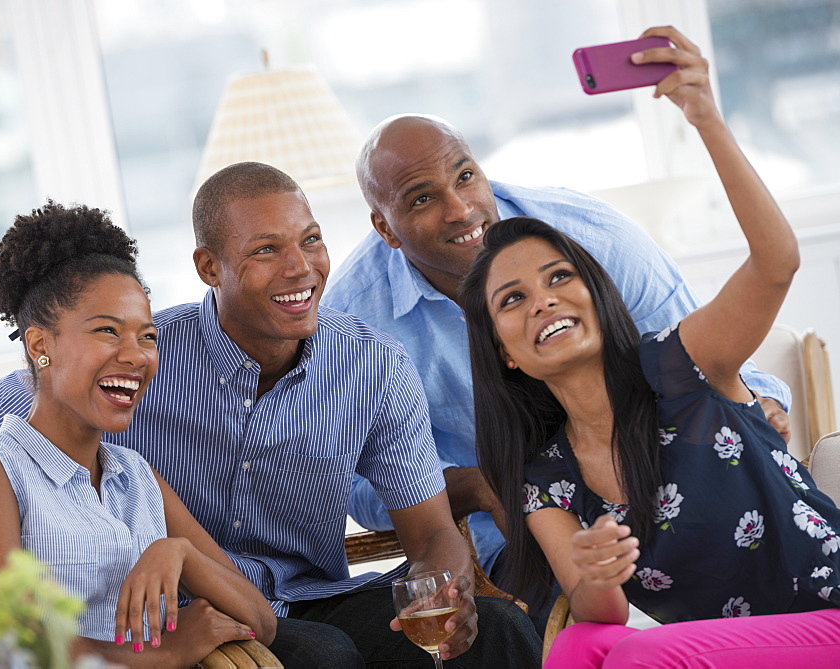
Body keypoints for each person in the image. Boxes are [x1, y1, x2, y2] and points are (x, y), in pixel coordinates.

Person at [0, 165, 541, 667]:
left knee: (500, 632)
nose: (300, 267)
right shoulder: (135, 357)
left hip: (312, 596)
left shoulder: (372, 363)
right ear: (209, 267)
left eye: (310, 239)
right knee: (322, 657)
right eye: (266, 250)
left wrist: (444, 596)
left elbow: (430, 533)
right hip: (195, 617)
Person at [323, 67, 791, 630]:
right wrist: (482, 485)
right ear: (504, 353)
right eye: (423, 198)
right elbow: (355, 485)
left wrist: (754, 409)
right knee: (562, 632)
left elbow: (728, 337)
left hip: (672, 477)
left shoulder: (592, 236)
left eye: (466, 176)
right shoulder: (351, 326)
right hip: (521, 528)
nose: (461, 208)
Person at [460, 26, 840, 667]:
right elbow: (596, 612)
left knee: (643, 658)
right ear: (506, 354)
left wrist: (705, 118)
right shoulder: (544, 477)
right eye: (513, 299)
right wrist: (597, 573)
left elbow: (776, 263)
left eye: (559, 278)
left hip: (825, 617)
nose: (545, 300)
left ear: (597, 297)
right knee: (581, 642)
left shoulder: (682, 365)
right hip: (722, 650)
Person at [0, 201, 276, 667]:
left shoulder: (134, 476)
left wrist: (181, 554)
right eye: (108, 331)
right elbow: (14, 648)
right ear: (40, 345)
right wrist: (163, 652)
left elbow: (261, 621)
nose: (136, 356)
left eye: (147, 336)